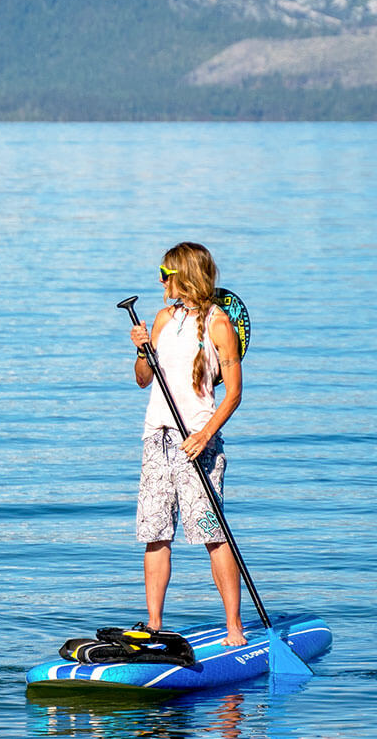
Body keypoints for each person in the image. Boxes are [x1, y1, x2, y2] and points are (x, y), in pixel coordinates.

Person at [126, 242, 247, 646]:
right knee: (155, 534)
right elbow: (143, 379)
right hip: (156, 438)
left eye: (165, 272)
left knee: (214, 535)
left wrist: (204, 435)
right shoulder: (161, 319)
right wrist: (143, 351)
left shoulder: (219, 324)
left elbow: (233, 393)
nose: (160, 280)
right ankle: (154, 625)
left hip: (198, 442)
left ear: (183, 275)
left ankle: (234, 627)